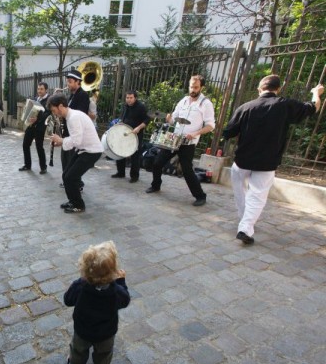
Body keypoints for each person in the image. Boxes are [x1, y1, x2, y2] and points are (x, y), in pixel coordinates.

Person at [223, 75, 323, 245]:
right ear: (278, 89)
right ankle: (245, 226)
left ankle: (245, 221)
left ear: (259, 89)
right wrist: (316, 93)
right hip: (267, 162)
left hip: (242, 160)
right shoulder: (284, 105)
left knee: (240, 191)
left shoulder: (245, 107)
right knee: (257, 196)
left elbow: (228, 132)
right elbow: (313, 108)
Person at [64, 241, 130, 364]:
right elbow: (125, 301)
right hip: (106, 333)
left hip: (82, 330)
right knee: (104, 354)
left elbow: (68, 300)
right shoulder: (116, 291)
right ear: (114, 271)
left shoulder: (80, 285)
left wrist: (79, 281)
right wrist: (121, 282)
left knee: (78, 350)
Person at [146, 75, 215, 207]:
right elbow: (173, 119)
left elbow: (211, 126)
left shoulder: (206, 104)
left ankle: (200, 196)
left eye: (196, 87)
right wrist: (168, 118)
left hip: (188, 143)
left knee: (187, 170)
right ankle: (155, 186)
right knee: (157, 162)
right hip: (174, 139)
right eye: (191, 86)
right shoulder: (183, 101)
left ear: (201, 87)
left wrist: (195, 133)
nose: (192, 89)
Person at [49, 94, 103, 213]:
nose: (54, 114)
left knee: (71, 177)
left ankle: (79, 205)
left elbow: (76, 140)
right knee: (66, 175)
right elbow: (75, 139)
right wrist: (60, 143)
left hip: (92, 151)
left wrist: (61, 140)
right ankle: (72, 201)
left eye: (54, 110)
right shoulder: (70, 116)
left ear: (61, 106)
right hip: (83, 149)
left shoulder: (73, 117)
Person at [111, 91, 150, 183]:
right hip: (125, 133)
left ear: (135, 98)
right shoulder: (126, 106)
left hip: (136, 134)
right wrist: (120, 123)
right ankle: (120, 172)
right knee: (120, 151)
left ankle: (134, 176)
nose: (128, 99)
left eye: (130, 97)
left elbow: (147, 119)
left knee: (135, 155)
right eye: (127, 97)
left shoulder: (141, 107)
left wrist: (139, 128)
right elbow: (124, 118)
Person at [19, 82, 50, 174]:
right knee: (25, 145)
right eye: (38, 89)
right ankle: (27, 165)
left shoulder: (49, 100)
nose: (39, 91)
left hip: (40, 127)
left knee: (39, 147)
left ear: (46, 90)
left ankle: (43, 167)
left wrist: (38, 118)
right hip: (31, 125)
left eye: (41, 89)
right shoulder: (35, 99)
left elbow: (48, 113)